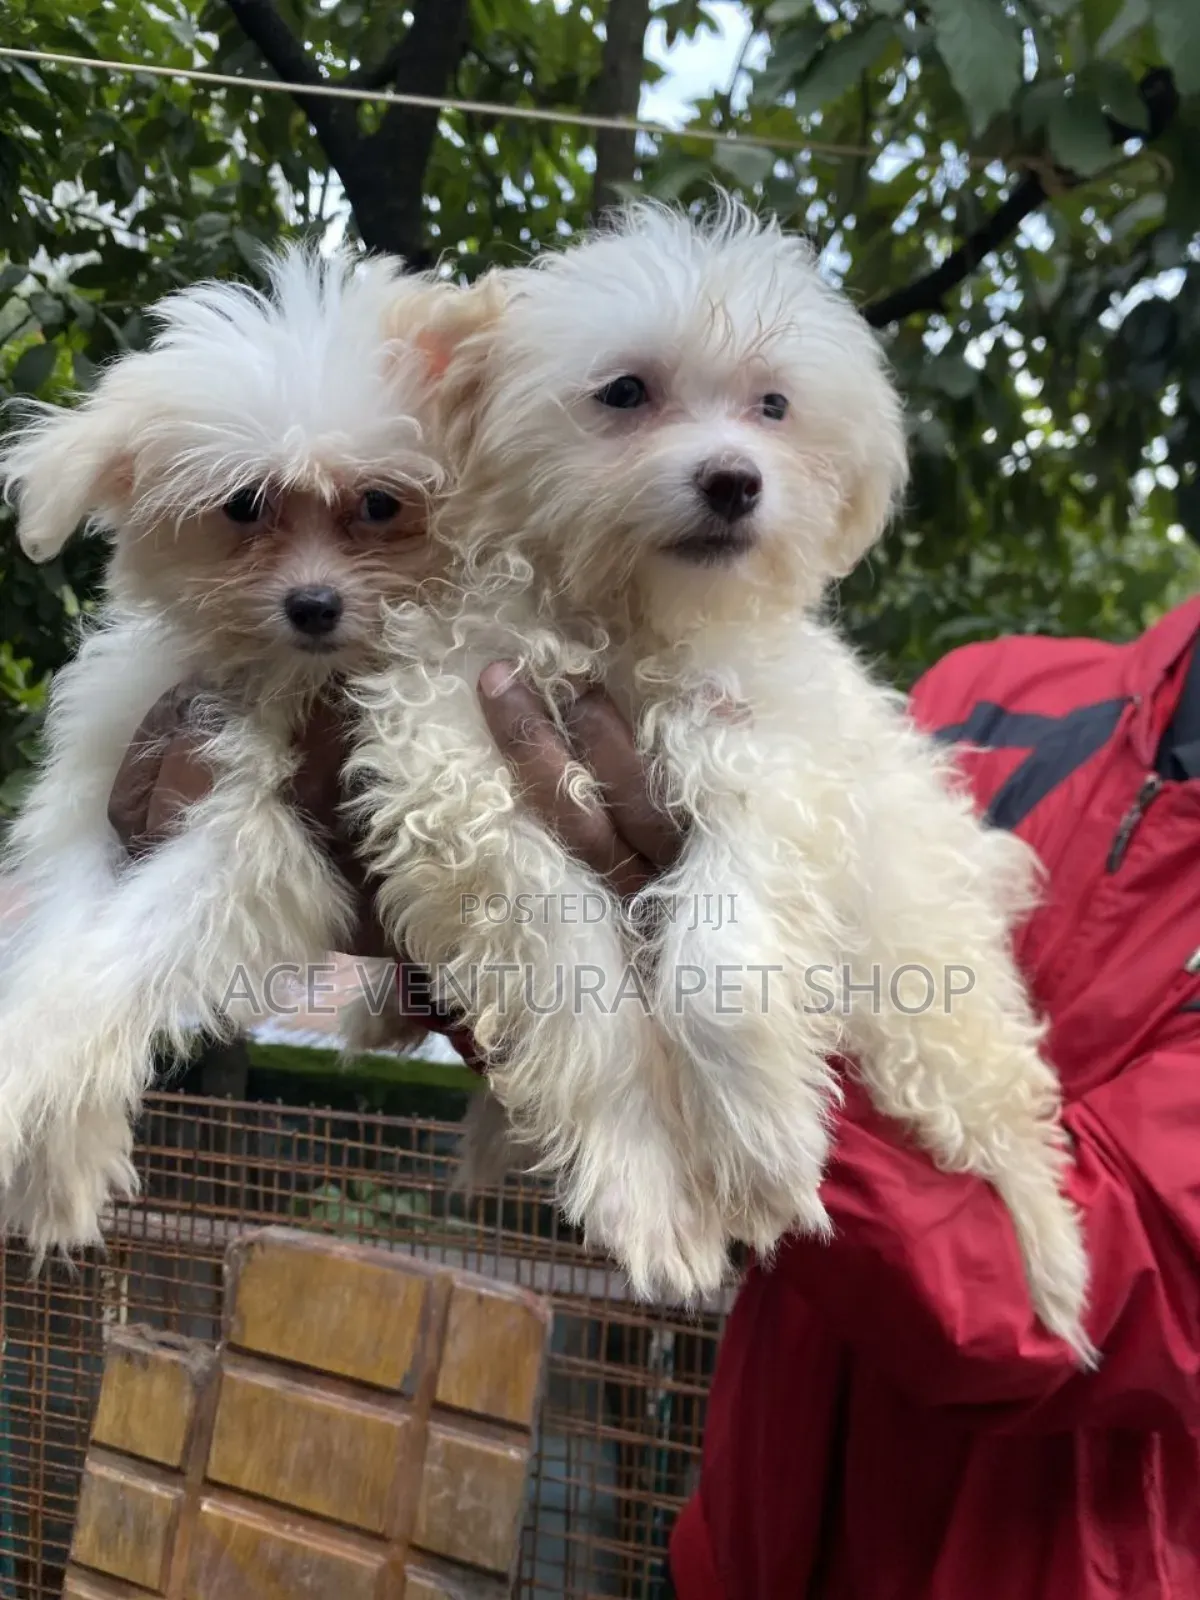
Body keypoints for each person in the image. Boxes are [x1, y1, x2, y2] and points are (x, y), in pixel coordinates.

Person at [109, 596, 1200, 1599]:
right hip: (742, 1546)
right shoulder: (999, 693)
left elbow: (1064, 1296)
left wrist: (725, 1036)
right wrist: (457, 935)